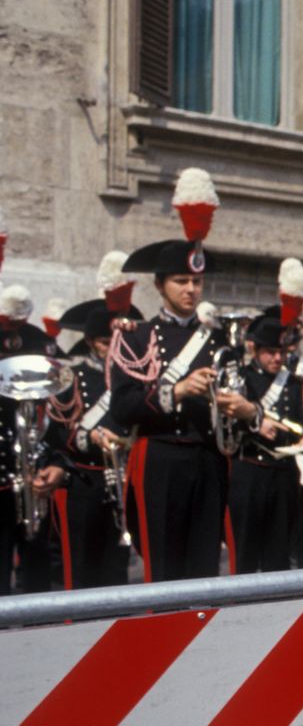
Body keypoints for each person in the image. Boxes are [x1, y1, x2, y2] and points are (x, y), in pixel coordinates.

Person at [107, 241, 258, 581]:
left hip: (209, 459)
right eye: (180, 280)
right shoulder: (136, 337)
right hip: (161, 457)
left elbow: (240, 416)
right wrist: (176, 390)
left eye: (197, 281)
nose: (191, 289)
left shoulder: (220, 340)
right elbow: (122, 408)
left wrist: (244, 410)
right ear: (159, 285)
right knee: (163, 564)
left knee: (205, 566)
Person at [48, 300, 141, 588]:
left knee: (117, 567)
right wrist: (91, 437)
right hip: (84, 479)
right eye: (104, 342)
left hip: (121, 478)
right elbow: (58, 433)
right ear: (89, 341)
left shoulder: (134, 373)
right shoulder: (72, 376)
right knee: (81, 566)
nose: (111, 347)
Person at [225, 309, 303, 574]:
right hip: (248, 471)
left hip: (283, 473)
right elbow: (227, 425)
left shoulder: (293, 384)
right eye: (270, 352)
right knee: (245, 553)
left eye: (281, 352)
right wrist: (255, 424)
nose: (277, 358)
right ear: (256, 350)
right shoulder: (240, 380)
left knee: (279, 554)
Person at [0, 290, 69, 593]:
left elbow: (59, 413)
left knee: (39, 581)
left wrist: (56, 462)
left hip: (36, 482)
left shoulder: (39, 340)